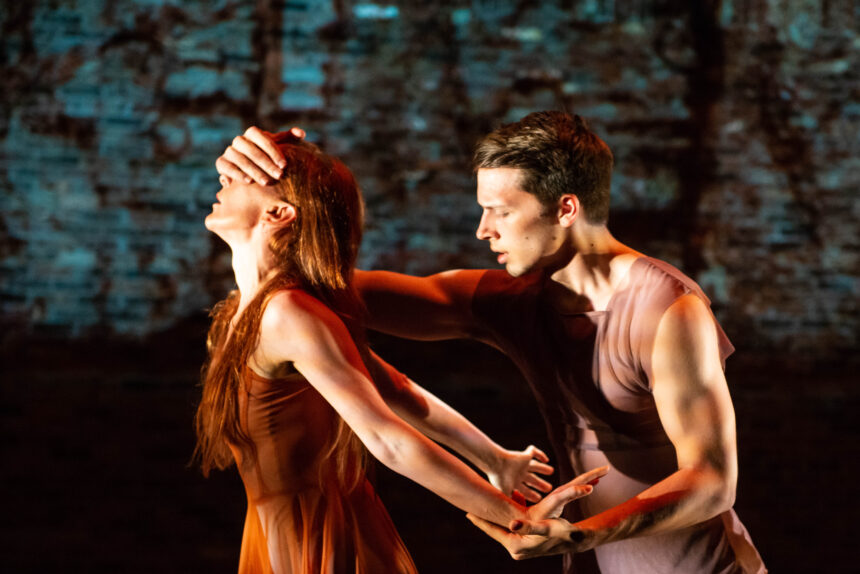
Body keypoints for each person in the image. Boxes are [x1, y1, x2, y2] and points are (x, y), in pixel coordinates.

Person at [216, 113, 767, 573]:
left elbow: (712, 482)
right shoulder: (515, 300)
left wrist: (581, 534)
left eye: (502, 211)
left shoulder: (670, 310)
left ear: (566, 209)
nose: (484, 230)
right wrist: (259, 179)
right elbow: (302, 285)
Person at [196, 132, 604, 574]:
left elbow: (388, 438)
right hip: (274, 531)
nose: (225, 179)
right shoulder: (240, 314)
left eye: (239, 179)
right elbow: (396, 388)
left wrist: (514, 517)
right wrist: (495, 460)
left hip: (320, 535)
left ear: (278, 213)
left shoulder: (288, 314)